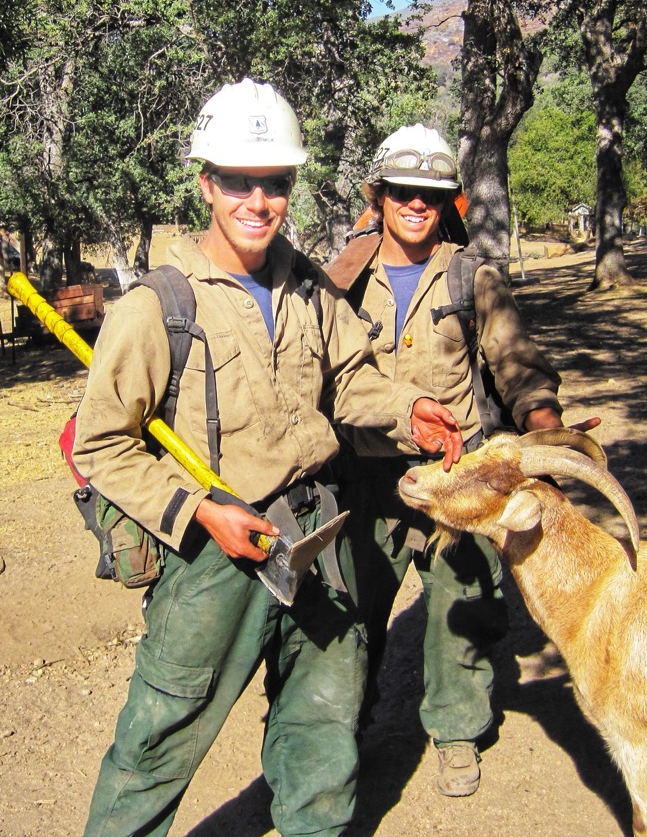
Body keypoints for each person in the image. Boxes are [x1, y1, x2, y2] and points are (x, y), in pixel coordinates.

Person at [71, 81, 463, 837]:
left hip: (320, 535)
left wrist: (406, 410)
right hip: (215, 552)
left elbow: (351, 379)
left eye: (275, 183)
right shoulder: (159, 306)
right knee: (160, 736)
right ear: (206, 184)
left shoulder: (310, 287)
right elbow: (101, 443)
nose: (259, 199)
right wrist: (198, 510)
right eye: (240, 181)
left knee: (322, 727)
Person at [335, 124, 593, 799]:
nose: (415, 205)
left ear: (450, 200)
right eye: (402, 192)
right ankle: (342, 730)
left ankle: (456, 731)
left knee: (463, 601)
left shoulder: (469, 274)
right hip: (366, 472)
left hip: (462, 473)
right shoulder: (340, 275)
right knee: (353, 606)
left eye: (430, 194)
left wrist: (546, 430)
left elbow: (516, 362)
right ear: (377, 194)